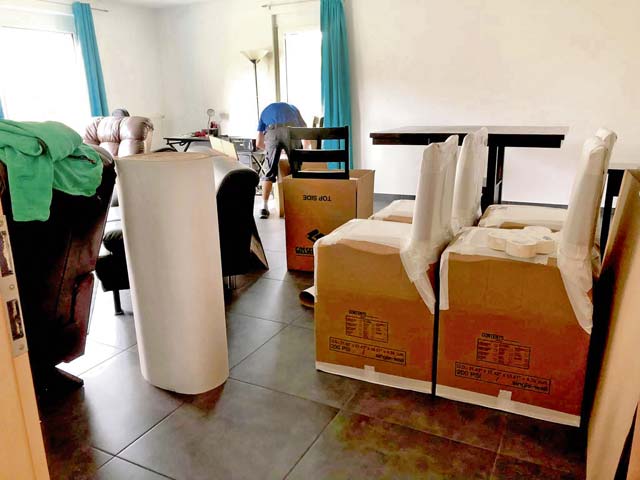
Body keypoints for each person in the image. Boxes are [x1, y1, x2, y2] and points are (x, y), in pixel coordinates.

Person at [256, 102, 308, 218]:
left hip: (272, 132)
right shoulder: (293, 108)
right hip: (292, 131)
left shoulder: (265, 111)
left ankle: (264, 207)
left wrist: (272, 151)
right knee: (296, 171)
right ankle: (296, 207)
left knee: (269, 171)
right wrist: (302, 152)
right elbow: (306, 132)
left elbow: (258, 143)